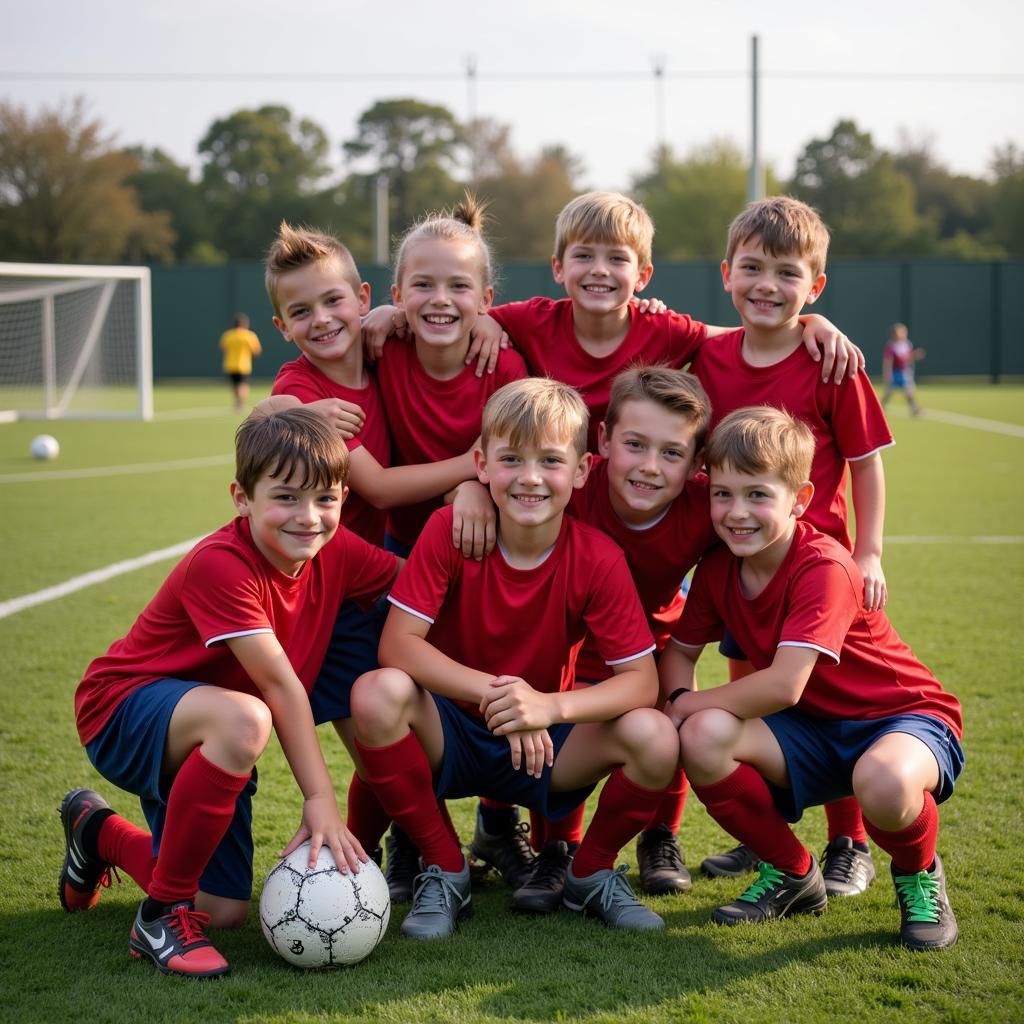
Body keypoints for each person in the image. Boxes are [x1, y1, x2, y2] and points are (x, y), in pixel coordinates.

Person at [59, 407, 399, 978]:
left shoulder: (335, 551)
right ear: (242, 497)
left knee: (222, 911)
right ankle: (159, 917)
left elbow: (418, 584)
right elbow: (278, 684)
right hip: (121, 708)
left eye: (326, 499)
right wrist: (320, 799)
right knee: (247, 718)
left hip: (211, 732)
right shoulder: (221, 563)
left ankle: (96, 832)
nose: (308, 517)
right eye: (286, 497)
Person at [350, 378, 681, 939]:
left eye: (550, 461)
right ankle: (445, 867)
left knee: (655, 735)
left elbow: (641, 682)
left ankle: (590, 872)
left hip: (542, 743)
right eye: (511, 460)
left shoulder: (598, 557)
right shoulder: (448, 530)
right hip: (453, 726)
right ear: (480, 464)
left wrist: (549, 707)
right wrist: (498, 694)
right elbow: (398, 645)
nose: (530, 477)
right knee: (376, 693)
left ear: (580, 471)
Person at [659, 406, 963, 951]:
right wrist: (683, 700)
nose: (736, 512)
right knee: (701, 736)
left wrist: (689, 702)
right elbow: (679, 654)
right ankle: (794, 874)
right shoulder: (719, 569)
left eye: (757, 495)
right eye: (722, 494)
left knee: (885, 783)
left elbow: (782, 686)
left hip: (901, 719)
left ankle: (919, 874)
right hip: (810, 732)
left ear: (799, 500)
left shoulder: (824, 566)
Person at [689, 195, 894, 894]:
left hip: (815, 574)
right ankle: (763, 834)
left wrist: (867, 552)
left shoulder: (831, 363)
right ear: (726, 273)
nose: (767, 286)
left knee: (825, 704)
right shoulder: (708, 354)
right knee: (744, 696)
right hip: (740, 566)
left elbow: (866, 461)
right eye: (752, 269)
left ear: (815, 286)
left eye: (787, 273)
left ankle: (850, 842)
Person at [509, 365, 716, 913]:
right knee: (549, 722)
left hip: (656, 640)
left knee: (669, 715)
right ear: (601, 441)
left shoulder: (703, 507)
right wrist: (469, 494)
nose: (650, 467)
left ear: (697, 465)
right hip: (571, 635)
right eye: (634, 445)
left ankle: (659, 836)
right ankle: (555, 846)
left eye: (672, 453)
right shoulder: (575, 483)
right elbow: (513, 483)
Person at [219, 313, 262, 411]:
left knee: (234, 384)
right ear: (245, 324)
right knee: (243, 384)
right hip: (243, 365)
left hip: (230, 364)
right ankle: (241, 403)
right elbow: (256, 350)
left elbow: (223, 348)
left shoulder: (228, 335)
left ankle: (237, 402)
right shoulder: (249, 335)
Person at [881, 322, 925, 416]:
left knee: (909, 392)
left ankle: (914, 409)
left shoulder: (907, 344)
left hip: (904, 372)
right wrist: (887, 374)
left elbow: (908, 359)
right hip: (894, 373)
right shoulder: (891, 346)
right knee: (888, 393)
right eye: (899, 332)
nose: (902, 334)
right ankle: (880, 408)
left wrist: (914, 355)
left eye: (903, 332)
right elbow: (888, 361)